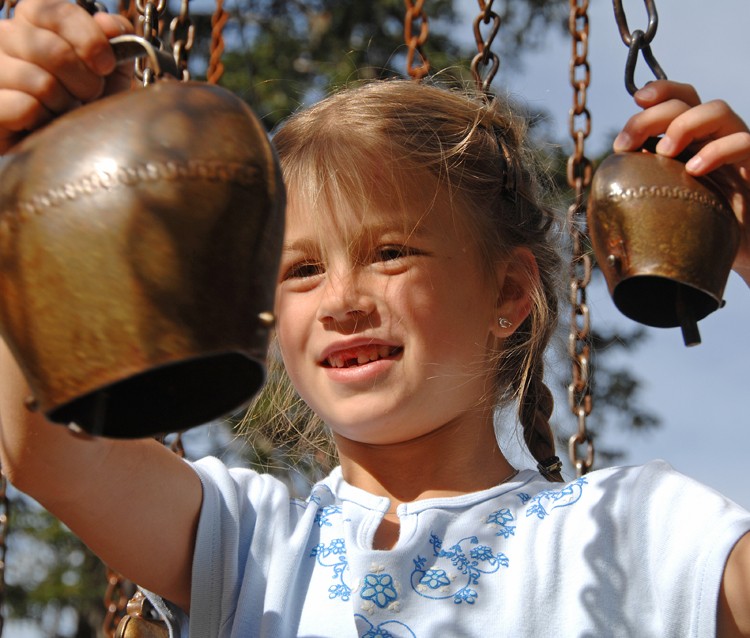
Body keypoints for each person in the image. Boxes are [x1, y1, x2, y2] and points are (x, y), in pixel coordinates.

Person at [0, 1, 749, 636]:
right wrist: (36, 168)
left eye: (391, 253)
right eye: (301, 269)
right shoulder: (249, 545)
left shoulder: (636, 529)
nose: (343, 299)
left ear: (508, 295)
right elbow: (43, 447)